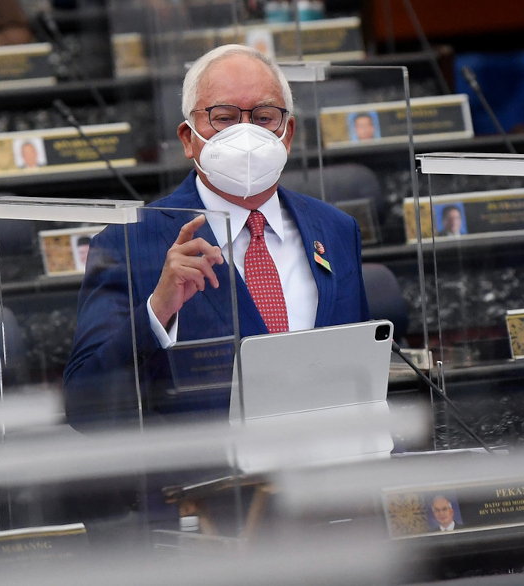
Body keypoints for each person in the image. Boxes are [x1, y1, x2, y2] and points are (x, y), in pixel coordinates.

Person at [64, 45, 369, 427]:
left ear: (287, 134)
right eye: (223, 118)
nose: (246, 132)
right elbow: (83, 403)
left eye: (263, 117)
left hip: (330, 467)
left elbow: (360, 375)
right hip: (208, 478)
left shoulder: (337, 230)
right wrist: (157, 310)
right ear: (188, 138)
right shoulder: (129, 242)